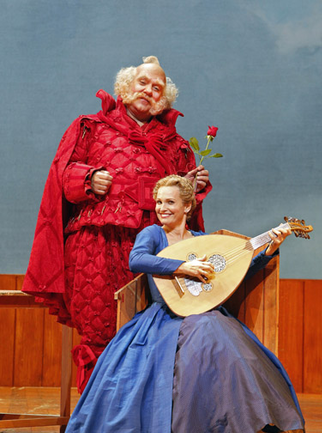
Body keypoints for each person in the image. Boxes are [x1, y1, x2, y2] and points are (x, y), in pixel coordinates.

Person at [46, 175, 321, 433]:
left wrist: (268, 250)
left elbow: (233, 274)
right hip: (163, 319)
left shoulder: (202, 240)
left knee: (231, 350)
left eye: (170, 202)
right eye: (159, 202)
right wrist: (182, 266)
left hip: (203, 314)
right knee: (205, 333)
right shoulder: (153, 234)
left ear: (187, 206)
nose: (162, 208)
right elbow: (136, 260)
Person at [22, 56, 211, 392]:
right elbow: (61, 176)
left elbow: (184, 209)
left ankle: (144, 427)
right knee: (99, 331)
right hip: (97, 244)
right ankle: (96, 429)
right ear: (125, 87)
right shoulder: (91, 128)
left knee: (157, 332)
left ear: (164, 100)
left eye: (157, 88)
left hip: (156, 248)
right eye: (143, 83)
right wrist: (88, 178)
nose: (149, 91)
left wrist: (191, 187)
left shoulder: (178, 146)